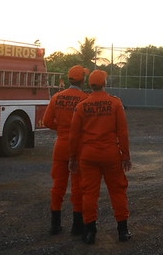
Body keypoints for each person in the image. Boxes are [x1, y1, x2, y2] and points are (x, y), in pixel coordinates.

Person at [70, 70, 132, 244]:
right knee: (118, 191)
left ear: (90, 84)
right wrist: (126, 155)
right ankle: (122, 231)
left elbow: (74, 135)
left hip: (88, 155)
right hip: (111, 154)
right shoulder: (115, 103)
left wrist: (73, 157)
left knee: (89, 193)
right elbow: (123, 132)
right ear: (105, 82)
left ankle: (89, 232)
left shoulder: (82, 106)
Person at [42, 64, 89, 235]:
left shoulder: (57, 97)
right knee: (78, 186)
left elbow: (46, 122)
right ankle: (77, 226)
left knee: (58, 185)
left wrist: (62, 129)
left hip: (61, 145)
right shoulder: (85, 99)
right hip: (78, 147)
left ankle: (55, 225)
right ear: (82, 80)